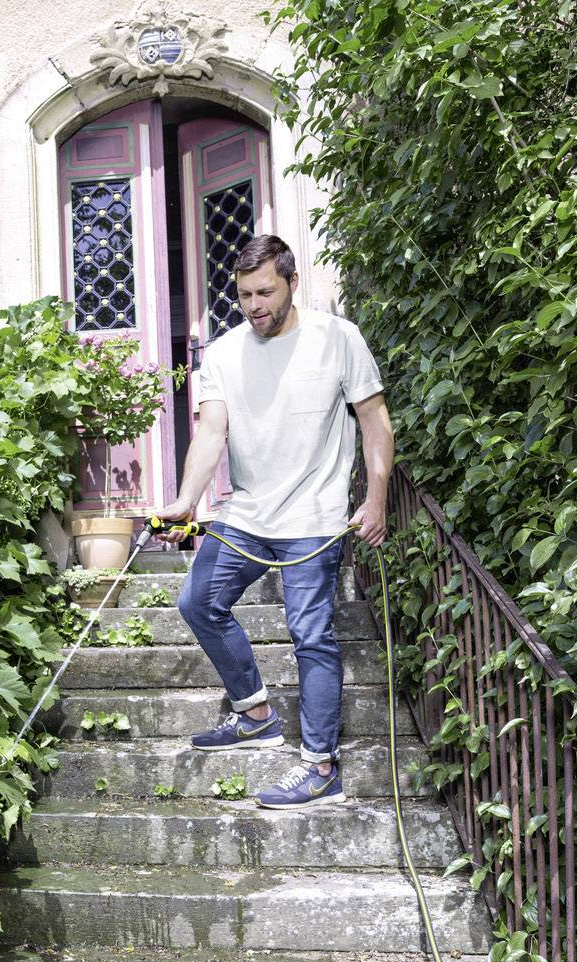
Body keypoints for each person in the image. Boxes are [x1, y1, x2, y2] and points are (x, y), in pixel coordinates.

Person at [154, 234, 394, 811]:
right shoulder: (225, 352)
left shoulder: (338, 339)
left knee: (311, 634)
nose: (255, 304)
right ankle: (255, 712)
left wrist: (377, 498)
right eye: (243, 295)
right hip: (247, 512)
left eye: (265, 291)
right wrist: (188, 498)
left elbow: (375, 420)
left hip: (315, 516)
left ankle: (319, 767)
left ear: (291, 283)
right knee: (197, 601)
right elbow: (211, 432)